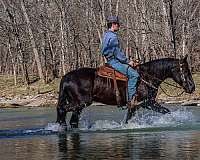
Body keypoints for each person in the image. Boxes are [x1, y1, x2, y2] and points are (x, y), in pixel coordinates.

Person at [101, 16, 139, 108]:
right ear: (113, 24)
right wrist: (128, 61)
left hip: (109, 60)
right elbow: (117, 52)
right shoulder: (113, 36)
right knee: (134, 75)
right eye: (118, 24)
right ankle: (131, 100)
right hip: (114, 62)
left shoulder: (106, 35)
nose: (119, 26)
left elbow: (104, 51)